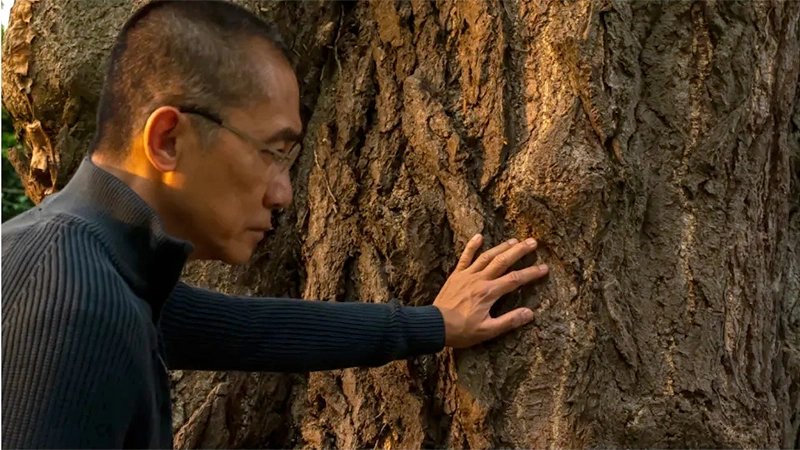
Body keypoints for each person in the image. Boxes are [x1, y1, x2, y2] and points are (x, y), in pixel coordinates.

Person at [1, 1, 549, 448]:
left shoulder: (105, 272)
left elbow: (256, 331)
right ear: (167, 140)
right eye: (271, 152)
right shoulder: (68, 303)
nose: (283, 193)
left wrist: (435, 323)